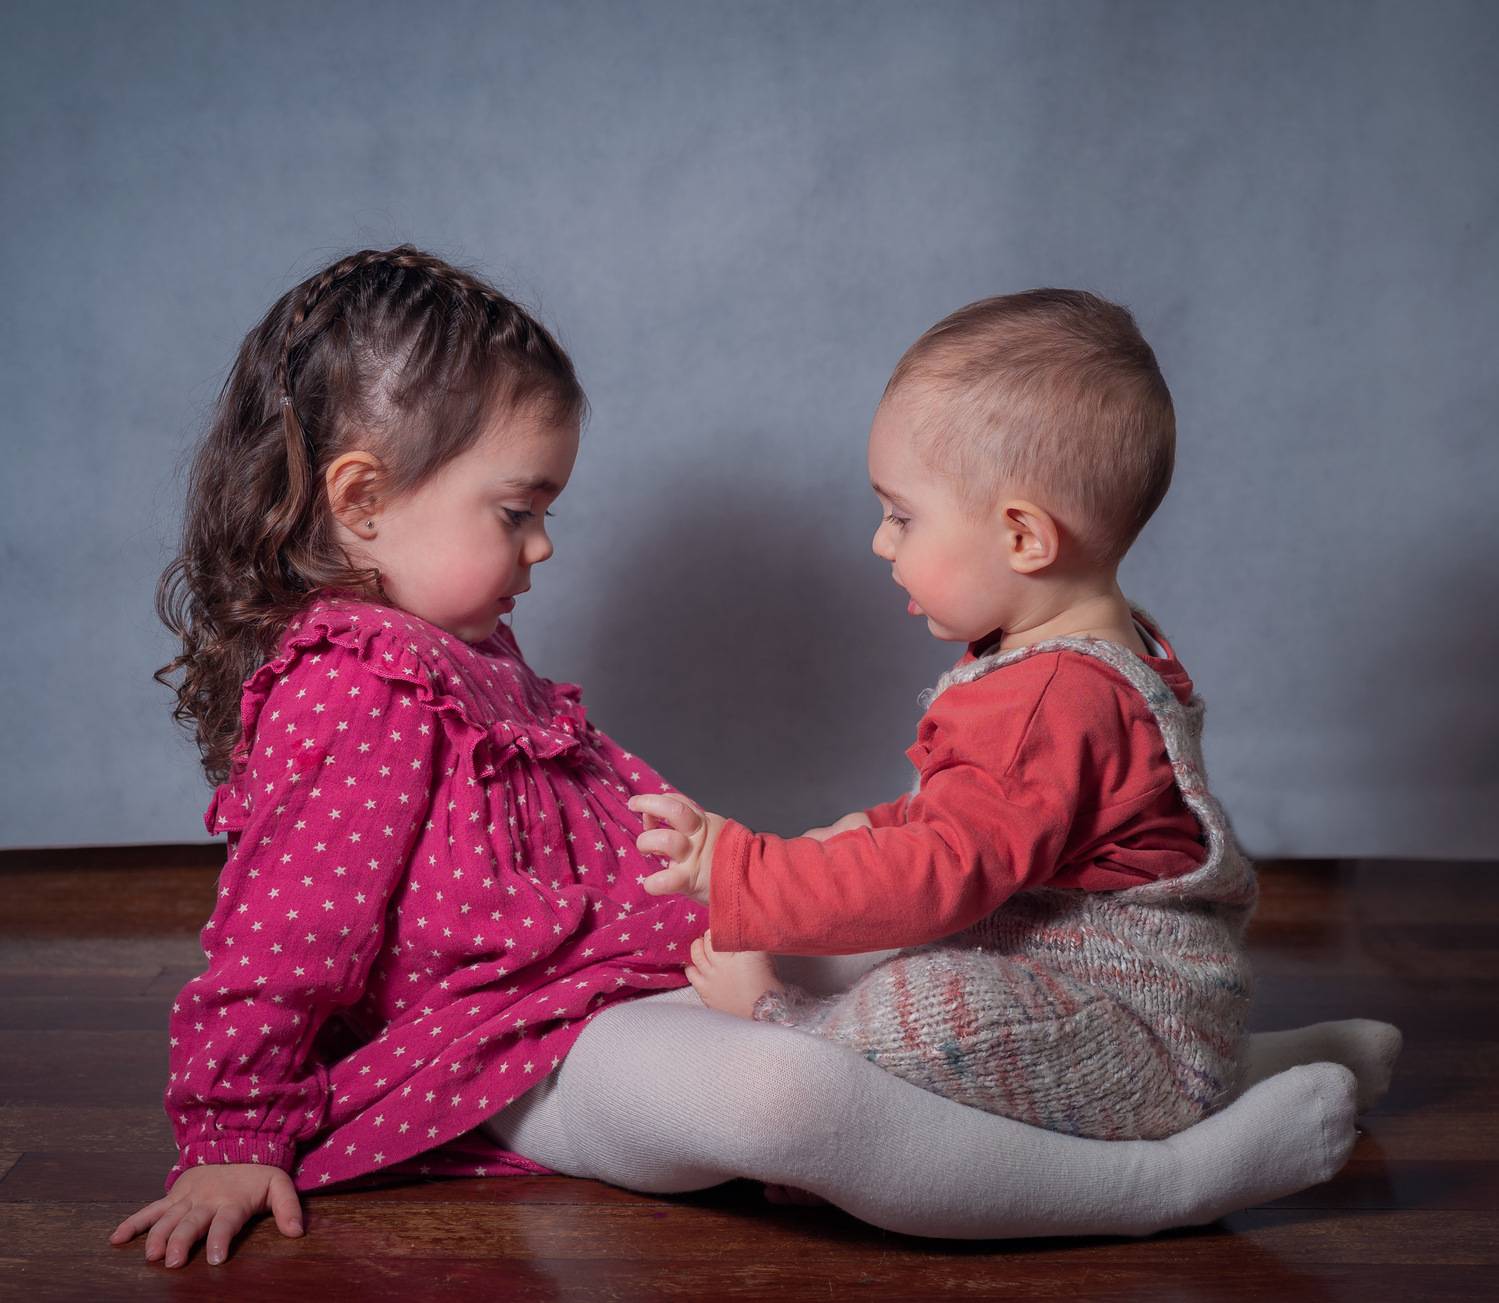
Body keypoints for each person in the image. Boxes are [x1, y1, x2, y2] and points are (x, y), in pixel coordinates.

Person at [111, 251, 1390, 1270]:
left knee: (924, 953)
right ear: (361, 501)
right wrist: (229, 1131)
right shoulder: (350, 687)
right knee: (789, 1096)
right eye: (518, 512)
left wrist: (771, 876)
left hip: (611, 971)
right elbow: (281, 938)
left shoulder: (452, 645)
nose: (543, 547)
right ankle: (1162, 1180)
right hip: (504, 1049)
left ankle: (1192, 1068)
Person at [629, 289, 1402, 1143]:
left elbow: (938, 876)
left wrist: (739, 871)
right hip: (1136, 1008)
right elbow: (993, 818)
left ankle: (1180, 1159)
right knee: (874, 915)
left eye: (902, 516)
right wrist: (865, 832)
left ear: (1023, 538)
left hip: (1121, 1019)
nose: (882, 542)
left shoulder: (1047, 699)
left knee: (922, 1003)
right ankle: (1235, 1068)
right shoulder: (1100, 650)